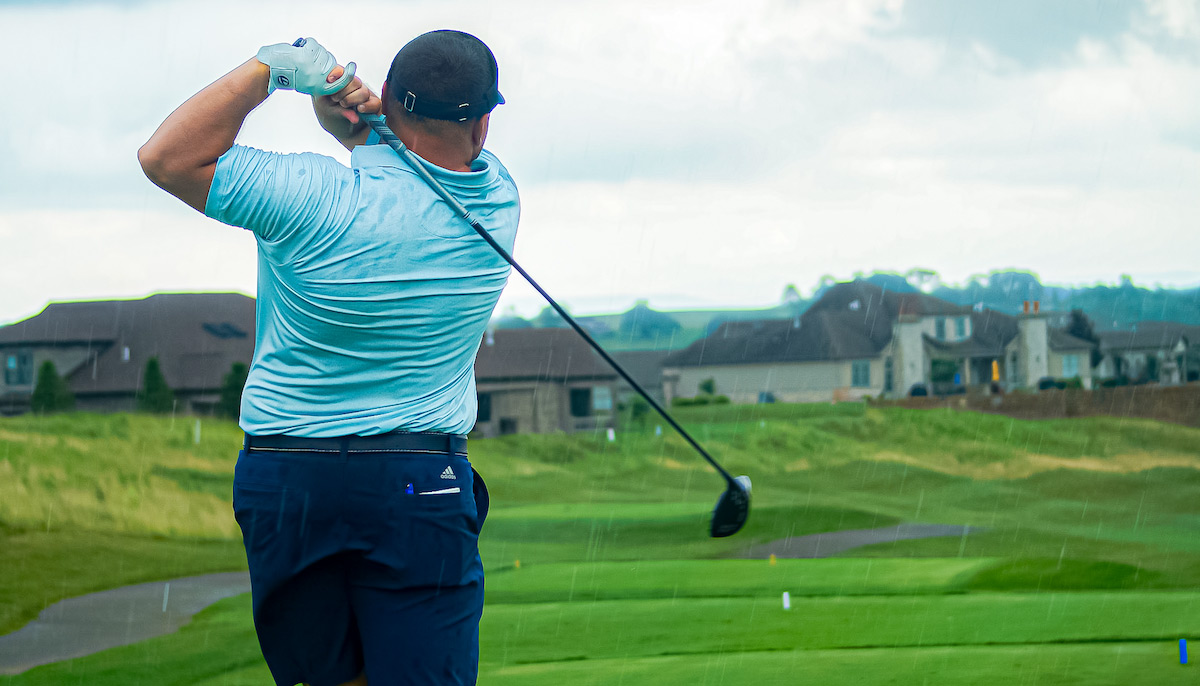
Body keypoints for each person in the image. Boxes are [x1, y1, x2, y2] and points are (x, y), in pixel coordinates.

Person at [138, 30, 518, 686]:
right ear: (483, 125)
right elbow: (424, 169)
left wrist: (274, 71)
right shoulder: (494, 202)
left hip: (291, 480)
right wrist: (365, 129)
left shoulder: (305, 198)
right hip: (417, 479)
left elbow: (167, 158)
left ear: (392, 104)